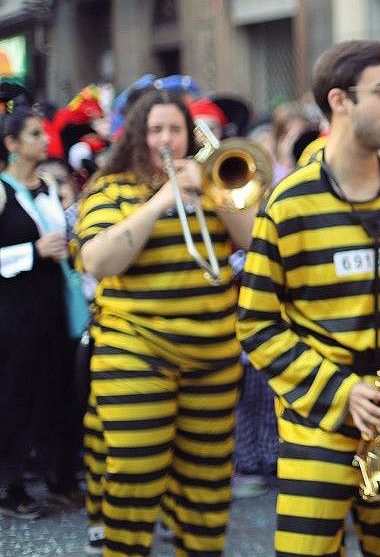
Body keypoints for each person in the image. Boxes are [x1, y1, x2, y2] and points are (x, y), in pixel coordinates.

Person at [237, 40, 380, 556]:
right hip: (319, 423)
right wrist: (341, 391)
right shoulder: (287, 203)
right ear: (339, 101)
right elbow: (256, 323)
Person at [73, 90, 254, 555]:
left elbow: (253, 238)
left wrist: (216, 195)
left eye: (176, 130)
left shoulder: (212, 188)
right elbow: (96, 261)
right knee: (134, 471)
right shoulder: (110, 190)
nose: (167, 140)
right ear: (138, 136)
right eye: (156, 131)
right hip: (135, 352)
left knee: (208, 482)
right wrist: (160, 201)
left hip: (213, 357)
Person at [0, 105, 71, 520]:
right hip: (13, 310)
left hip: (49, 304)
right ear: (12, 145)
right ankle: (10, 485)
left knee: (51, 389)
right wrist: (32, 251)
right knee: (14, 392)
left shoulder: (45, 184)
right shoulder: (3, 190)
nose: (45, 141)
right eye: (34, 135)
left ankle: (54, 475)